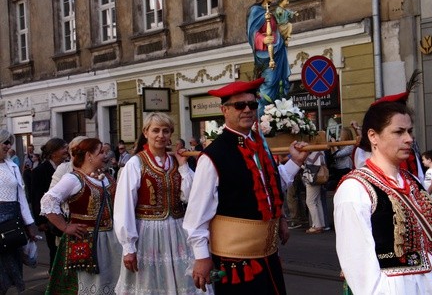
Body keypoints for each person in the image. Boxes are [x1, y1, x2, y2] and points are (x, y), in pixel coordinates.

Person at [334, 100, 432, 294]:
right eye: (399, 132)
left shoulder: (413, 182)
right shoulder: (355, 189)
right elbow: (360, 268)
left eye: (409, 131)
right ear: (373, 136)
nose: (409, 139)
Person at [183, 78, 309, 294]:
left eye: (252, 104)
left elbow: (270, 186)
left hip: (268, 255)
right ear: (224, 110)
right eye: (240, 105)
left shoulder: (260, 145)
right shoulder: (213, 155)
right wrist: (202, 257)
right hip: (236, 260)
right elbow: (196, 214)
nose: (248, 110)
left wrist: (296, 162)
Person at [113, 112, 205, 294]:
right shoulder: (135, 163)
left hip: (178, 230)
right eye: (155, 130)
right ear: (146, 132)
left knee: (182, 280)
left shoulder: (176, 162)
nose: (161, 135)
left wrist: (183, 166)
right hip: (148, 232)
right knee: (150, 282)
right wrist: (128, 247)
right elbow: (124, 207)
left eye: (165, 131)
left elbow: (194, 196)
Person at [41, 138, 122, 294]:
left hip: (110, 240)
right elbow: (48, 201)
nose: (105, 155)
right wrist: (64, 226)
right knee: (89, 284)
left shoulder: (106, 177)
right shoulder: (73, 179)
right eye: (101, 152)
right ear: (89, 156)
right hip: (86, 241)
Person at [0, 129, 38, 294]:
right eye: (5, 142)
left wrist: (30, 223)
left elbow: (21, 196)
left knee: (12, 265)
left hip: (12, 221)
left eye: (9, 142)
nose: (8, 145)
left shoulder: (13, 166)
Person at [247, 0, 290, 116]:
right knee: (268, 84)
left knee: (278, 86)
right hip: (265, 55)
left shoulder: (271, 13)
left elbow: (276, 30)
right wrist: (263, 39)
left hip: (278, 52)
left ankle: (276, 117)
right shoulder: (256, 11)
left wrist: (282, 36)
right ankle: (263, 118)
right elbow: (252, 32)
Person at [31, 137, 69, 271]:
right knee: (55, 249)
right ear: (53, 153)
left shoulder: (68, 167)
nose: (67, 150)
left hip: (66, 215)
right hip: (49, 218)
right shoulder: (39, 171)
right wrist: (40, 221)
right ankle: (54, 278)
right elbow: (36, 197)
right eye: (63, 148)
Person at [302, 151, 326, 233]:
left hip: (312, 177)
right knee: (317, 201)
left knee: (310, 201)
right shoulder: (321, 152)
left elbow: (309, 163)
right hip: (318, 177)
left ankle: (316, 225)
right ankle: (321, 223)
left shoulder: (313, 153)